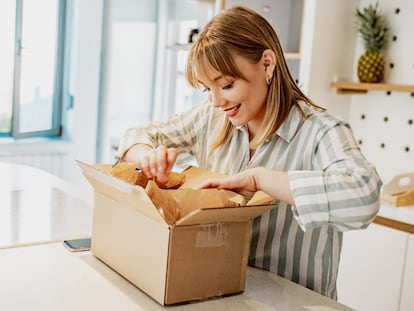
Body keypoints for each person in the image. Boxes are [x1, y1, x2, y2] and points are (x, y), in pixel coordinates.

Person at [114, 6, 382, 300]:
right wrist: (147, 157)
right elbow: (137, 136)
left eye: (227, 85)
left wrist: (260, 179)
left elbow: (364, 197)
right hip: (220, 297)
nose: (216, 101)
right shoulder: (213, 118)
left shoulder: (320, 131)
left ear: (267, 65)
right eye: (207, 89)